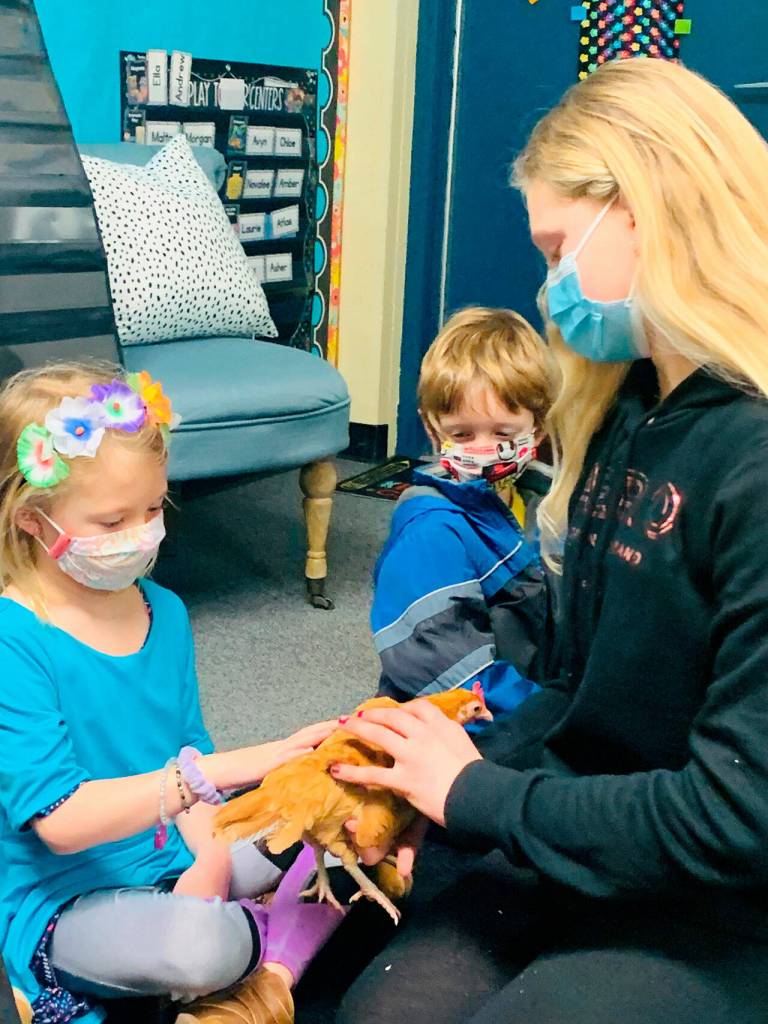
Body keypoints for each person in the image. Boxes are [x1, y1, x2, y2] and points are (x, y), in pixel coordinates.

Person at [329, 58, 768, 1024]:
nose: (550, 285)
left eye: (560, 247)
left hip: (724, 900)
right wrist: (429, 794)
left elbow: (738, 819)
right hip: (600, 838)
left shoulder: (752, 456)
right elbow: (579, 696)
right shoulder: (633, 416)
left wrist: (478, 798)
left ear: (649, 206)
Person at [0, 364, 345, 1024]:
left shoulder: (165, 612)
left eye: (155, 507)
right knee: (200, 947)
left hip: (177, 858)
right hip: (67, 903)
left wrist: (212, 860)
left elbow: (189, 763)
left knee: (346, 817)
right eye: (111, 520)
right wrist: (217, 774)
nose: (143, 531)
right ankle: (271, 956)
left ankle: (256, 951)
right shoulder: (14, 638)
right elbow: (63, 822)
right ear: (31, 522)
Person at [372, 307, 554, 717]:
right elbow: (447, 671)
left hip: (533, 706)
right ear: (434, 429)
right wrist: (553, 719)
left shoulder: (551, 506)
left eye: (503, 433)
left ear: (537, 428)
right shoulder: (429, 532)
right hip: (466, 727)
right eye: (462, 434)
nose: (483, 449)